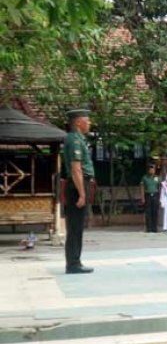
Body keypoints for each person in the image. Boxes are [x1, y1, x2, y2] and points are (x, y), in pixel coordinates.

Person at [63, 108, 95, 274]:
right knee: (75, 226)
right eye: (87, 120)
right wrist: (82, 193)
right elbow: (76, 169)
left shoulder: (78, 139)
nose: (89, 123)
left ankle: (75, 261)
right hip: (77, 186)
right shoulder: (74, 140)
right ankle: (73, 264)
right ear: (78, 122)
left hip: (80, 184)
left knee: (77, 226)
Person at [140, 164, 160, 233]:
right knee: (148, 212)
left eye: (153, 169)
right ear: (148, 170)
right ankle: (149, 228)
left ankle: (155, 228)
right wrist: (142, 198)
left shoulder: (157, 178)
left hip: (155, 196)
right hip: (148, 196)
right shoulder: (145, 178)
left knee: (155, 212)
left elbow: (160, 187)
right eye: (150, 169)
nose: (152, 170)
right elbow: (142, 188)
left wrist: (160, 198)